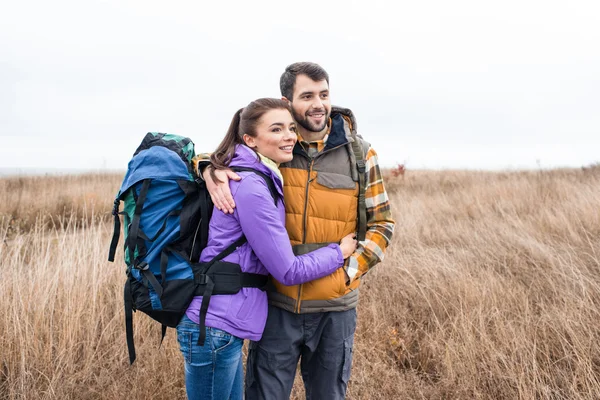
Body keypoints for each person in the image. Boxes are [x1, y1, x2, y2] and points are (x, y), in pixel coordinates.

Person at [203, 62, 395, 399]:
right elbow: (221, 154)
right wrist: (209, 170)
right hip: (277, 306)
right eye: (307, 96)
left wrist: (349, 272)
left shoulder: (360, 154)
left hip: (334, 312)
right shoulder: (274, 151)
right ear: (287, 100)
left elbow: (382, 224)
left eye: (324, 94)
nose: (318, 104)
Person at [177, 98, 358, 400]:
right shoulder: (250, 186)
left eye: (290, 127)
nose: (289, 136)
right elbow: (287, 270)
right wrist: (339, 252)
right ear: (250, 140)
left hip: (221, 326)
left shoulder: (250, 173)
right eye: (276, 129)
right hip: (214, 328)